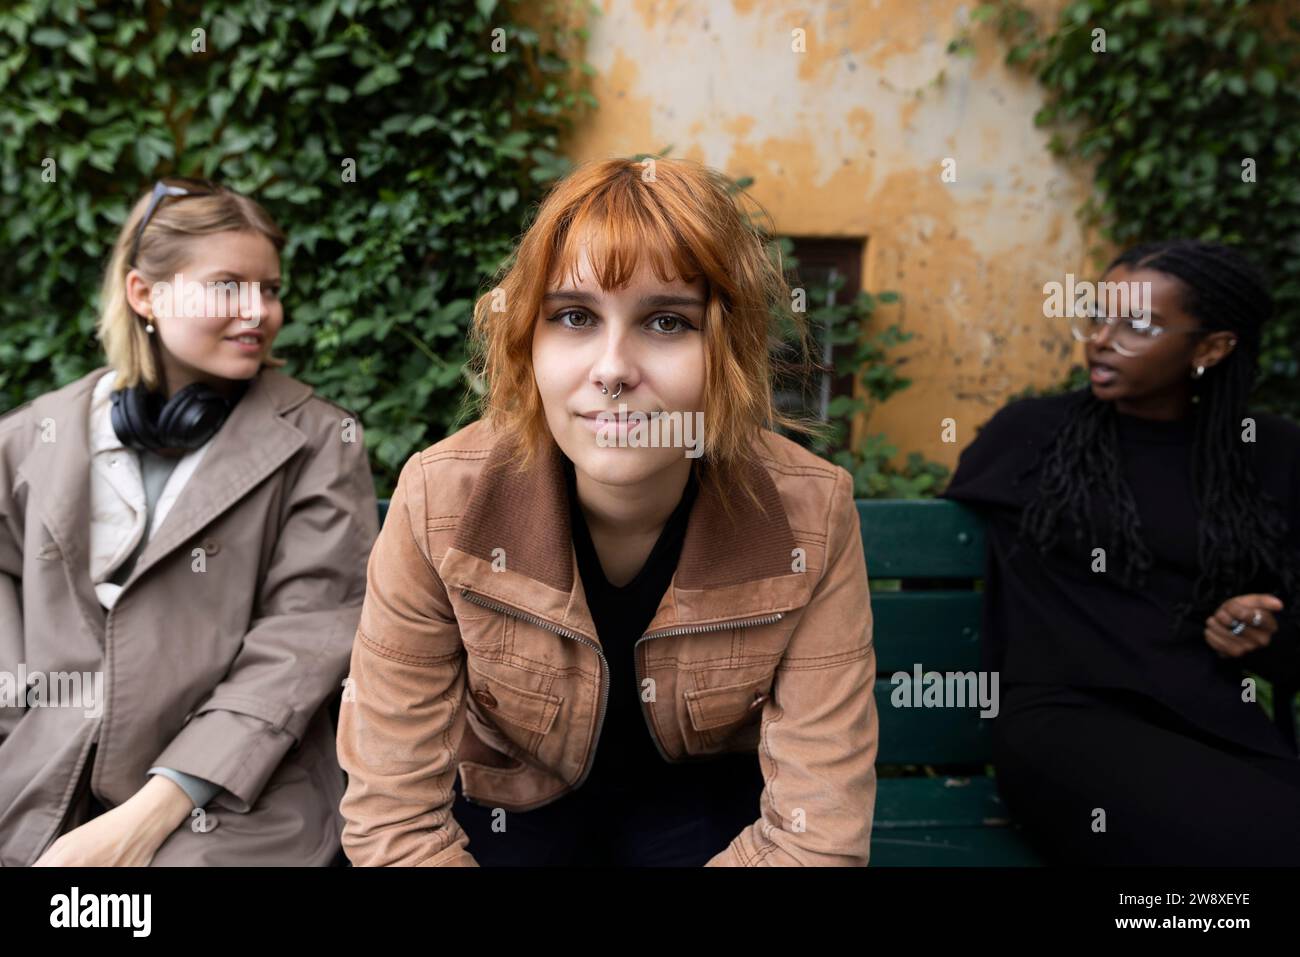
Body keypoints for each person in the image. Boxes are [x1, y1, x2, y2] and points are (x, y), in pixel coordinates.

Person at [336, 156, 878, 866]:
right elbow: (393, 818)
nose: (613, 367)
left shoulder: (812, 513)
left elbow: (816, 834)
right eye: (573, 316)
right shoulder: (440, 500)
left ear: (729, 351)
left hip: (709, 821)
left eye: (666, 321)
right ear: (528, 340)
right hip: (509, 810)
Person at [0, 177, 378, 866]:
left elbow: (299, 647)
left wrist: (145, 818)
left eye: (269, 288)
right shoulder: (30, 438)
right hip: (36, 781)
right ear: (145, 294)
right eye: (228, 286)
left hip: (235, 797)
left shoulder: (323, 441)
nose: (258, 311)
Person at [942, 239, 1300, 865]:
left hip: (1215, 726)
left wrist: (1264, 633)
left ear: (1212, 348)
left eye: (1136, 325)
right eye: (1098, 316)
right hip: (1066, 726)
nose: (1102, 339)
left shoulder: (1266, 456)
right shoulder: (1030, 439)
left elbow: (1285, 620)